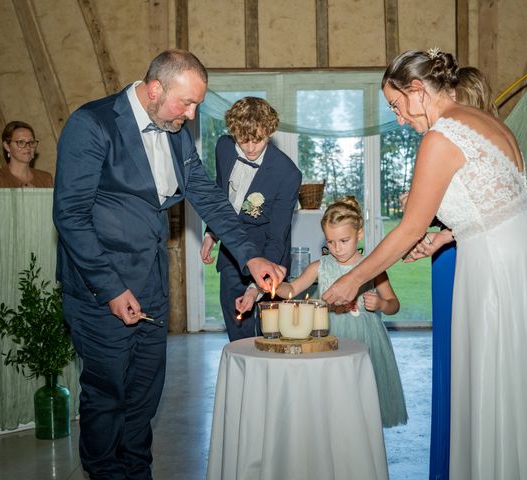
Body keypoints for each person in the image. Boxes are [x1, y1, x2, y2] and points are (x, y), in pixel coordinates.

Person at [323, 49, 527, 479]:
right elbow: (498, 203)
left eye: (396, 106)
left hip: (498, 268)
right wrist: (446, 236)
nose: (398, 118)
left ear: (417, 90)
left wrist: (353, 280)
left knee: (500, 386)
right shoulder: (489, 123)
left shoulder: (440, 137)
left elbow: (408, 228)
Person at [53, 49, 286, 480]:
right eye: (188, 102)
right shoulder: (93, 124)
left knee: (144, 395)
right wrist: (110, 288)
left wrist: (249, 254)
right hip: (99, 289)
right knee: (107, 396)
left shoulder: (175, 129)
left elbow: (207, 194)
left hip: (151, 286)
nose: (193, 113)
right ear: (155, 89)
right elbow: (70, 216)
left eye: (197, 103)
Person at [399, 65, 498, 480]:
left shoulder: (477, 139)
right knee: (448, 362)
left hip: (469, 257)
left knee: (472, 360)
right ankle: (448, 460)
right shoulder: (443, 137)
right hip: (447, 255)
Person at [237, 197, 408, 428]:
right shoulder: (319, 267)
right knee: (332, 398)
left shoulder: (373, 267)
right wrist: (269, 286)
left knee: (362, 398)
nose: (337, 248)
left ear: (359, 234)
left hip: (366, 339)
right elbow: (292, 289)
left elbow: (393, 303)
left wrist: (380, 304)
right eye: (331, 241)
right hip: (328, 336)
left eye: (344, 240)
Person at [200, 97, 301, 341]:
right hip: (231, 254)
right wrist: (211, 233)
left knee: (272, 334)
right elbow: (219, 193)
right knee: (238, 329)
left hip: (269, 255)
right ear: (233, 132)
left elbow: (278, 234)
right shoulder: (223, 148)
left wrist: (258, 285)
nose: (251, 147)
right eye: (243, 139)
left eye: (259, 139)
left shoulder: (288, 174)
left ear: (270, 131)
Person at [0, 120, 53, 188]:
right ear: (7, 146)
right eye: (20, 142)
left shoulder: (46, 178)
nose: (27, 146)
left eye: (31, 142)